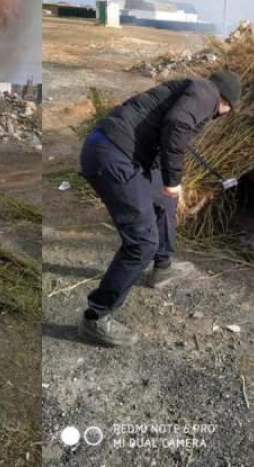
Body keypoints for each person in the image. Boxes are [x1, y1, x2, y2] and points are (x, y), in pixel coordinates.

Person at [77, 70, 242, 347]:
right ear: (226, 103)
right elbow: (177, 124)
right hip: (112, 155)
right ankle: (96, 318)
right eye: (227, 111)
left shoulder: (194, 88)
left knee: (166, 200)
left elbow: (164, 130)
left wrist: (167, 184)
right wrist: (173, 179)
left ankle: (162, 266)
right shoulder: (206, 93)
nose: (222, 115)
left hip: (120, 150)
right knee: (142, 242)